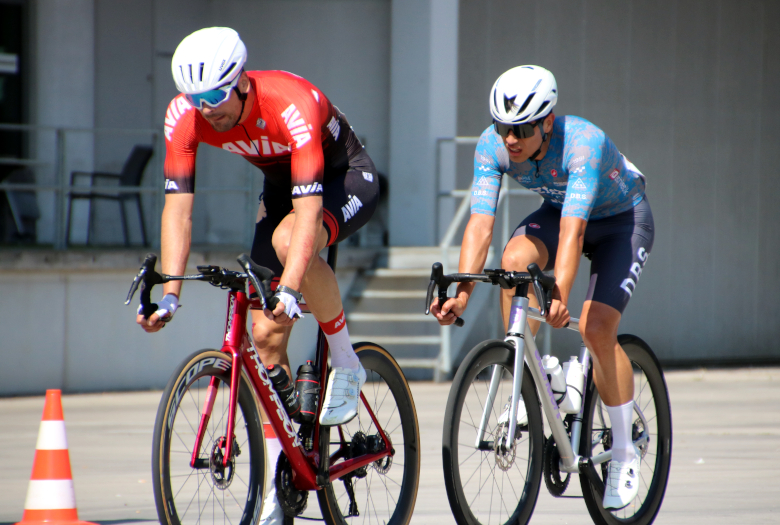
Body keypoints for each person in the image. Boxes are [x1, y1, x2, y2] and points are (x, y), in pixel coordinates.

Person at [136, 26, 378, 522]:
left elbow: (308, 215)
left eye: (217, 95)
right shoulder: (185, 116)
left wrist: (289, 288)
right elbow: (177, 210)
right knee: (266, 336)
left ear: (242, 81)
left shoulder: (290, 103)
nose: (207, 108)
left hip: (343, 177)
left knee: (293, 244)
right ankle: (282, 474)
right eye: (196, 97)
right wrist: (172, 293)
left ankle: (346, 359)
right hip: (283, 185)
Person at [431, 65, 654, 511]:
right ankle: (534, 369)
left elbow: (572, 235)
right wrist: (462, 292)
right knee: (513, 261)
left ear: (548, 122)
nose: (511, 139)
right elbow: (480, 222)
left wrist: (560, 296)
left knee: (594, 326)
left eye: (523, 129)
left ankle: (625, 451)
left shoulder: (582, 144)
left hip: (619, 223)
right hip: (560, 211)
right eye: (503, 127)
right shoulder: (493, 145)